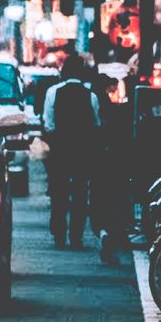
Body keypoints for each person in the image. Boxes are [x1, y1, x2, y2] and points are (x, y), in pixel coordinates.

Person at [42, 54, 102, 249]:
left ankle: (59, 233)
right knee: (80, 194)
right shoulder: (90, 95)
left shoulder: (53, 93)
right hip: (83, 152)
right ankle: (76, 236)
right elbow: (96, 123)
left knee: (58, 193)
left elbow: (48, 123)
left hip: (60, 150)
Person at [90, 75, 132, 265]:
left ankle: (102, 231)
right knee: (114, 200)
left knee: (98, 198)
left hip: (97, 160)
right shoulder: (118, 110)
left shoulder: (93, 101)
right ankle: (111, 234)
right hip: (116, 161)